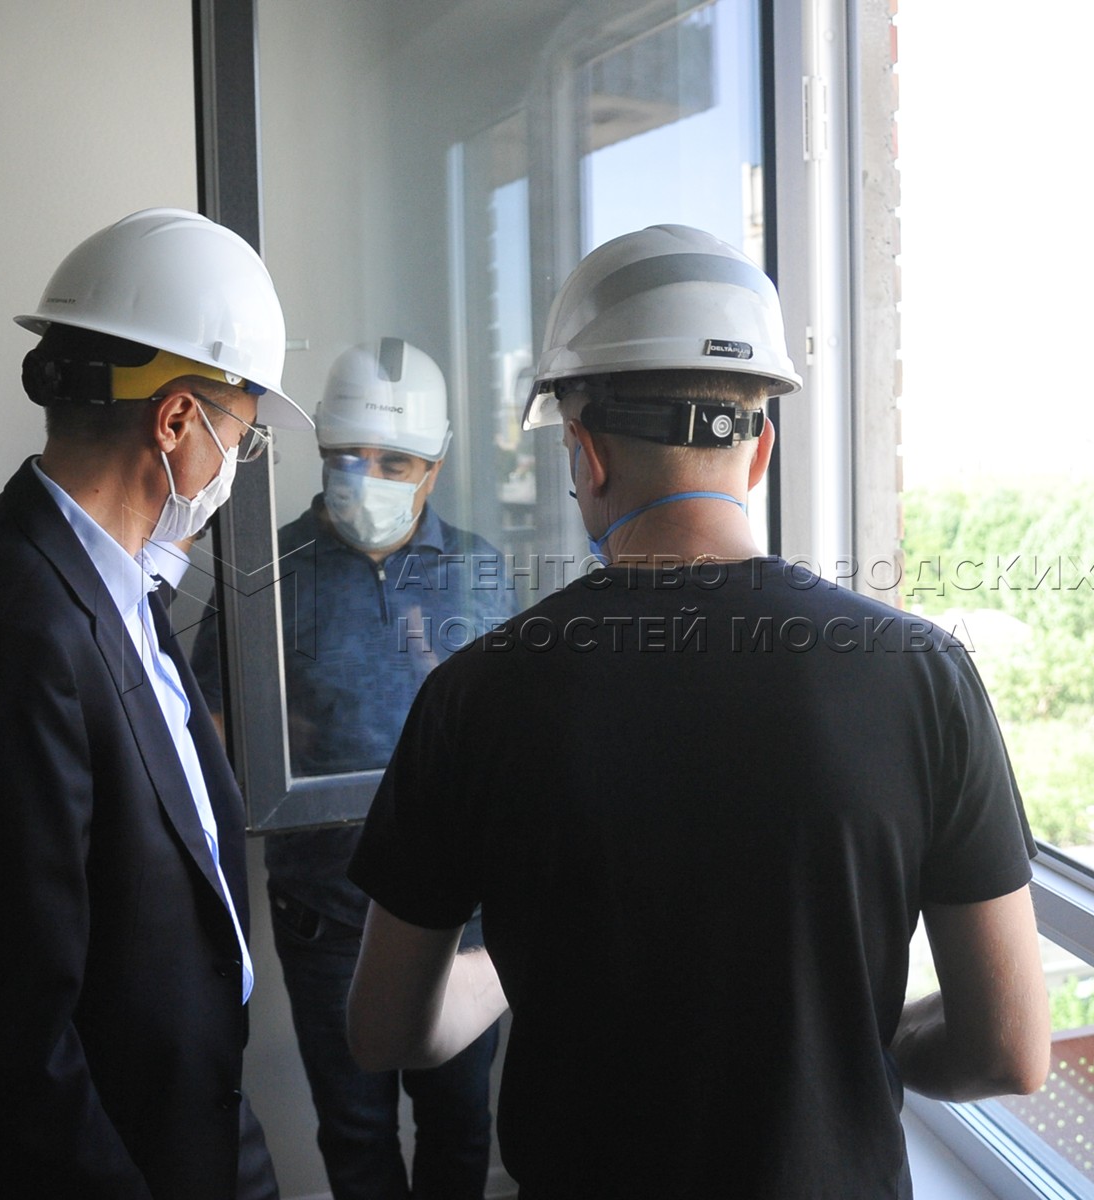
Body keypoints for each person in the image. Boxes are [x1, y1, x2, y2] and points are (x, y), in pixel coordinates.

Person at [342, 224, 1051, 1198]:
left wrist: (515, 959)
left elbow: (387, 1029)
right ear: (759, 450)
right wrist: (843, 1042)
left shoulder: (476, 695)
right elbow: (1007, 1049)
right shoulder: (921, 676)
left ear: (586, 453)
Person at [0, 208, 308, 1199]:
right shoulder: (10, 629)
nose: (232, 472)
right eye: (240, 440)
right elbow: (9, 1045)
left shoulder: (114, 589)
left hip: (187, 1133)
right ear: (176, 422)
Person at [191, 339, 516, 1200]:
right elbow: (209, 743)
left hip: (458, 914)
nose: (365, 478)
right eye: (346, 456)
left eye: (393, 462)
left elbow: (515, 740)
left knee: (458, 1122)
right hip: (325, 913)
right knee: (356, 1130)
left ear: (433, 468)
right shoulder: (265, 572)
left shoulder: (479, 572)